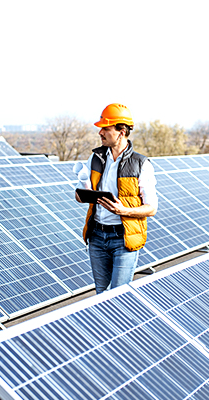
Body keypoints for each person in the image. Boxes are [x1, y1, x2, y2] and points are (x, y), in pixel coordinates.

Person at [75, 103, 158, 294]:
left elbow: (151, 208)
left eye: (106, 128)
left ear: (121, 132)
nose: (100, 132)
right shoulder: (95, 158)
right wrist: (82, 194)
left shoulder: (141, 164)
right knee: (100, 295)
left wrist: (124, 211)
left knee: (118, 296)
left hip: (123, 238)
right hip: (96, 236)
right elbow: (82, 193)